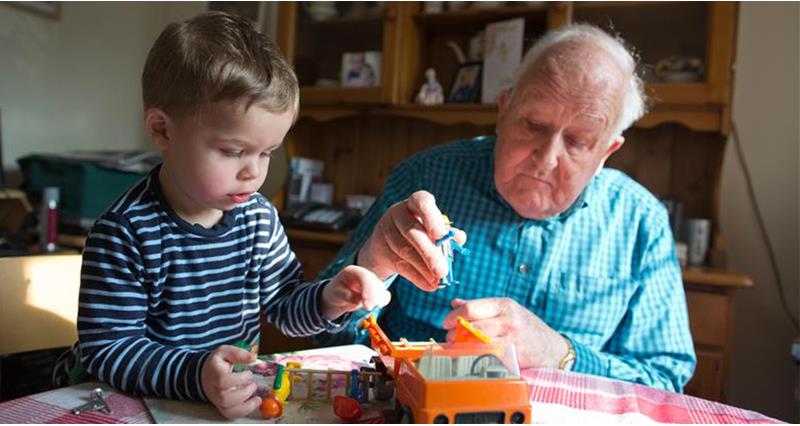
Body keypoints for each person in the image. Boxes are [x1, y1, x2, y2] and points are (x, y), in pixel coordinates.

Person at [318, 24, 696, 393]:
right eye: (533, 125)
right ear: (503, 111)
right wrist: (371, 266)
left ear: (606, 153)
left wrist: (561, 354)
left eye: (578, 141)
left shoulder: (641, 223)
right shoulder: (425, 177)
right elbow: (318, 331)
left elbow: (665, 381)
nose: (546, 160)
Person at [51, 12, 390, 419]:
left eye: (266, 153)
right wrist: (196, 375)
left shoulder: (258, 219)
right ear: (162, 131)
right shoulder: (125, 231)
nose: (254, 172)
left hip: (208, 402)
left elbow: (283, 305)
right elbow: (109, 351)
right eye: (233, 151)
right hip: (119, 401)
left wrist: (327, 299)